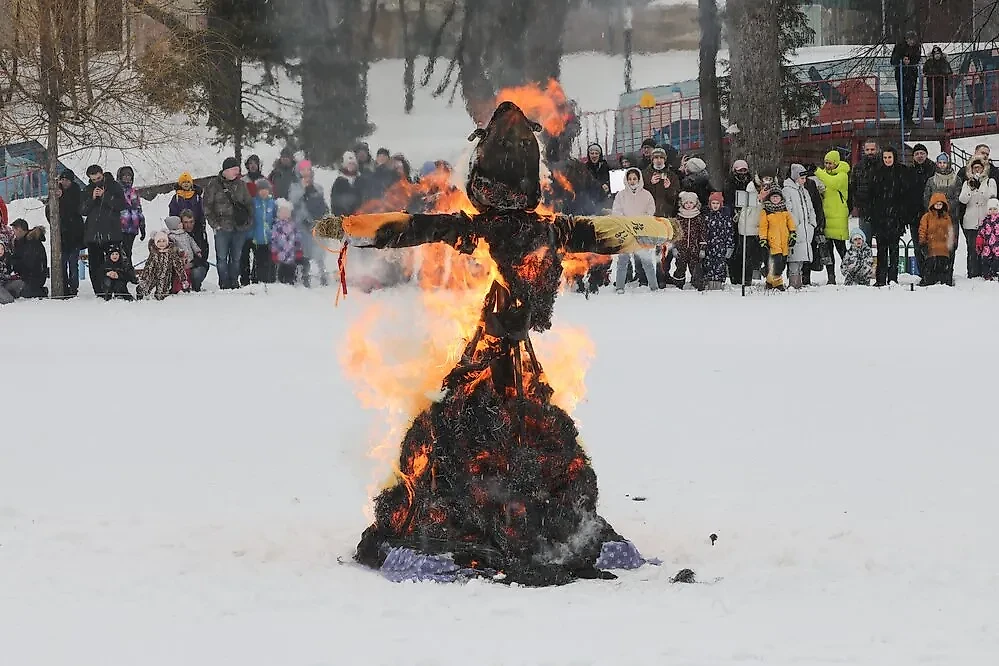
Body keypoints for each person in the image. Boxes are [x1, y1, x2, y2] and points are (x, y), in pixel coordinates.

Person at [204, 156, 253, 289]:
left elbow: (249, 205)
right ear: (226, 170)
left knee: (236, 258)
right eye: (234, 169)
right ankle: (224, 283)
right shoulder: (213, 185)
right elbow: (207, 207)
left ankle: (234, 281)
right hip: (222, 228)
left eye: (238, 169)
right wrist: (215, 225)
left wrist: (248, 222)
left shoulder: (242, 185)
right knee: (221, 258)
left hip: (240, 228)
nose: (237, 172)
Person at [80, 165, 126, 295]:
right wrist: (92, 198)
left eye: (98, 178)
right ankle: (99, 291)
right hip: (93, 234)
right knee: (95, 265)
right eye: (93, 179)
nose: (97, 181)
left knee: (115, 262)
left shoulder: (114, 186)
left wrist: (105, 196)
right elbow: (83, 210)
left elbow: (121, 204)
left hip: (111, 233)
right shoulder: (87, 189)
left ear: (103, 174)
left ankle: (117, 289)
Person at [611, 167, 658, 293]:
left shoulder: (646, 194)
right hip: (626, 232)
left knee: (646, 261)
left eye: (634, 178)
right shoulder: (621, 195)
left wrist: (642, 221)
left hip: (641, 232)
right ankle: (620, 287)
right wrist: (625, 222)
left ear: (639, 179)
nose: (632, 181)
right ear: (626, 180)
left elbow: (651, 210)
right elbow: (616, 210)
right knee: (623, 261)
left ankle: (654, 287)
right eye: (630, 179)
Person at [288, 161, 330, 287]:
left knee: (319, 251)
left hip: (316, 223)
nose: (306, 172)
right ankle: (305, 274)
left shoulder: (318, 187)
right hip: (301, 224)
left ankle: (322, 273)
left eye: (308, 169)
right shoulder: (294, 187)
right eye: (303, 170)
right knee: (305, 251)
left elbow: (322, 204)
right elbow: (292, 203)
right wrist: (303, 190)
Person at [733, 166, 777, 285]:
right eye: (765, 178)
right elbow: (748, 208)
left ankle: (770, 279)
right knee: (748, 256)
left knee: (769, 255)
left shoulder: (775, 189)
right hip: (750, 225)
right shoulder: (751, 187)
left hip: (766, 227)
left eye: (770, 178)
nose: (767, 181)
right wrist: (759, 198)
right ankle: (746, 280)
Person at [815, 150, 851, 284]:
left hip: (838, 217)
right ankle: (831, 276)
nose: (827, 165)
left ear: (836, 163)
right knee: (827, 250)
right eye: (825, 163)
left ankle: (851, 273)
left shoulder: (842, 175)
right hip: (826, 217)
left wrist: (818, 172)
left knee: (841, 249)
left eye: (830, 163)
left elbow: (833, 183)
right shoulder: (822, 175)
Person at [958, 157, 998, 278]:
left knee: (988, 248)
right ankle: (972, 273)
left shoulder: (990, 181)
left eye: (979, 168)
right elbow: (963, 199)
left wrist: (980, 185)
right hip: (971, 220)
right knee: (972, 248)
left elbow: (991, 196)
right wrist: (971, 188)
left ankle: (986, 271)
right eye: (974, 168)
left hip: (986, 222)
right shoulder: (967, 183)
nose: (977, 170)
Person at [782, 164, 818, 289]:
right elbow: (788, 209)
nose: (804, 181)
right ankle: (793, 281)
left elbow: (810, 208)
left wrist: (812, 223)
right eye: (802, 178)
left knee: (802, 256)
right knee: (794, 257)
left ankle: (799, 281)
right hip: (796, 229)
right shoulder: (787, 190)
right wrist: (795, 224)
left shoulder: (805, 191)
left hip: (806, 229)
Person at [758, 189, 797, 291]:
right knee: (776, 263)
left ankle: (769, 281)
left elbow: (790, 222)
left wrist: (793, 233)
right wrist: (763, 239)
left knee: (782, 263)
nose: (775, 199)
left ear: (781, 198)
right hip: (773, 241)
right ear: (769, 198)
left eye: (777, 197)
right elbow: (763, 227)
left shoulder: (784, 210)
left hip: (784, 241)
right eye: (773, 197)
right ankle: (778, 283)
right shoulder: (765, 211)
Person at [55, 169, 85, 297]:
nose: (64, 182)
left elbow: (75, 208)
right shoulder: (57, 190)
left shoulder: (76, 191)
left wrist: (63, 196)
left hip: (74, 233)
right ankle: (64, 287)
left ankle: (73, 288)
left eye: (67, 180)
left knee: (73, 263)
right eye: (63, 180)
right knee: (62, 264)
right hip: (62, 234)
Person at [138, 231, 189, 299]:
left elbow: (178, 266)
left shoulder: (171, 252)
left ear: (167, 241)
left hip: (165, 276)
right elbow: (148, 266)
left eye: (164, 241)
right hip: (153, 275)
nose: (161, 243)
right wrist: (144, 278)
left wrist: (183, 279)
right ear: (155, 243)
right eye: (159, 241)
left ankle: (160, 299)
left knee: (161, 295)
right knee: (145, 288)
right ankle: (140, 292)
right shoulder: (154, 253)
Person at [908, 144, 934, 276]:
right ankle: (923, 273)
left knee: (933, 246)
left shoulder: (933, 169)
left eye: (922, 153)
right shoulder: (910, 171)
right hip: (915, 216)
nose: (919, 156)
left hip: (932, 214)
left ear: (926, 154)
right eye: (917, 153)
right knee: (918, 246)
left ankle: (933, 273)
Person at [918, 193, 956, 286]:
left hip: (944, 249)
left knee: (943, 270)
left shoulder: (947, 218)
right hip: (931, 247)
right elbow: (922, 229)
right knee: (930, 268)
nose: (938, 206)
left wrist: (952, 244)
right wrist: (922, 242)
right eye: (936, 204)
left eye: (940, 204)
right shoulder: (926, 217)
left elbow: (950, 231)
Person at [168, 172, 208, 259]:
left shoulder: (197, 196)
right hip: (181, 228)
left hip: (195, 227)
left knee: (198, 247)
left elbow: (202, 211)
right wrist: (177, 225)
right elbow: (172, 213)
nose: (186, 184)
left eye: (188, 182)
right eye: (183, 182)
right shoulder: (176, 198)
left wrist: (201, 224)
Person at [671, 191, 706, 290]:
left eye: (691, 203)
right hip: (681, 248)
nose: (688, 205)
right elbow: (674, 233)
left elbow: (702, 234)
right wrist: (674, 247)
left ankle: (697, 284)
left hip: (694, 248)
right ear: (682, 203)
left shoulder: (698, 217)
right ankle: (678, 284)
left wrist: (702, 248)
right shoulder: (679, 217)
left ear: (695, 203)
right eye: (686, 203)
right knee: (680, 267)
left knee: (695, 267)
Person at [703, 191, 735, 290]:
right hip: (709, 245)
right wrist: (702, 246)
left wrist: (730, 245)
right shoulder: (706, 216)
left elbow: (729, 231)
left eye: (717, 203)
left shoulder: (725, 216)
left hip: (721, 245)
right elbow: (703, 232)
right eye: (713, 203)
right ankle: (709, 282)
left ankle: (719, 283)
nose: (715, 205)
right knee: (708, 264)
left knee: (720, 264)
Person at [850, 140, 880, 244]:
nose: (870, 152)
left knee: (883, 245)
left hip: (881, 211)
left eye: (872, 149)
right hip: (864, 211)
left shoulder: (882, 166)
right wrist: (858, 203)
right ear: (864, 151)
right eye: (867, 150)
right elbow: (853, 187)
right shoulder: (858, 167)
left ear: (877, 150)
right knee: (865, 243)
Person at [890, 30, 922, 126]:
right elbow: (893, 60)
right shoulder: (899, 47)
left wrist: (911, 61)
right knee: (902, 97)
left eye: (913, 40)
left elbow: (917, 58)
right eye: (910, 40)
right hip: (901, 74)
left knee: (911, 97)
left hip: (911, 74)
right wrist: (902, 60)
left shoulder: (916, 47)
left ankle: (909, 118)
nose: (912, 42)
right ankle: (903, 118)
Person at [10, 219, 49, 298]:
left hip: (35, 277)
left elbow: (30, 263)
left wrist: (15, 266)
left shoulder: (32, 242)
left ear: (20, 229)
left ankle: (39, 292)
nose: (13, 233)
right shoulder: (19, 241)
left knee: (19, 291)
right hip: (25, 276)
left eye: (14, 230)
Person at [116, 166, 145, 263]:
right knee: (120, 253)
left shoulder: (134, 192)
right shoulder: (116, 190)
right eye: (124, 175)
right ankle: (123, 274)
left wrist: (142, 225)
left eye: (129, 176)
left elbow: (139, 209)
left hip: (132, 227)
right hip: (120, 227)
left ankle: (128, 274)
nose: (127, 178)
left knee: (128, 252)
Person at [270, 198, 302, 285]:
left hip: (291, 254)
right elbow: (273, 240)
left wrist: (299, 250)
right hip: (281, 254)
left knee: (291, 270)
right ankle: (282, 283)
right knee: (281, 271)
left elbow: (298, 238)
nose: (284, 214)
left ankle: (291, 282)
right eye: (282, 212)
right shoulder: (276, 226)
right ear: (278, 214)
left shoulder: (293, 225)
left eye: (286, 212)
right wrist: (274, 252)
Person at [250, 182, 277, 283]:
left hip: (270, 237)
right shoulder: (254, 202)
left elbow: (276, 218)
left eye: (265, 189)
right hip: (258, 237)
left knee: (269, 259)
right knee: (258, 259)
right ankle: (257, 279)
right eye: (261, 190)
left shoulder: (272, 203)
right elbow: (251, 219)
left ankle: (270, 279)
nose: (263, 192)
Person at [179, 211, 208, 292]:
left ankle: (196, 287)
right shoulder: (176, 234)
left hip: (197, 264)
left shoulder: (200, 233)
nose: (189, 225)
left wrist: (192, 264)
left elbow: (204, 254)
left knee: (197, 273)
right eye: (186, 222)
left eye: (191, 222)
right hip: (180, 263)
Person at [922, 46, 953, 124]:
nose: (937, 55)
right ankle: (936, 118)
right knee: (935, 102)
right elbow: (925, 71)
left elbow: (949, 72)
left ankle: (940, 117)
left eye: (938, 53)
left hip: (942, 85)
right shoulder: (929, 62)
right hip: (933, 86)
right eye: (935, 54)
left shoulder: (944, 62)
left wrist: (943, 74)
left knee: (942, 102)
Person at [331, 151, 364, 216]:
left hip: (361, 218)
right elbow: (335, 204)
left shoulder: (361, 180)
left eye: (353, 164)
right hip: (344, 219)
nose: (351, 166)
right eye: (349, 163)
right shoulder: (339, 182)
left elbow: (366, 199)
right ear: (344, 165)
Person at [975, 198, 999, 280]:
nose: (992, 211)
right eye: (990, 209)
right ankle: (986, 274)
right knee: (986, 260)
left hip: (997, 245)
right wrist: (979, 241)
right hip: (987, 245)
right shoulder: (985, 221)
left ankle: (994, 273)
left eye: (995, 209)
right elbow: (981, 232)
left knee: (996, 260)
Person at [0, 240, 25, 305]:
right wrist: (9, 277)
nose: (0, 251)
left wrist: (15, 275)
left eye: (2, 249)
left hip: (5, 283)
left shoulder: (7, 258)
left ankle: (6, 293)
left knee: (20, 283)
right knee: (9, 300)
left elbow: (11, 270)